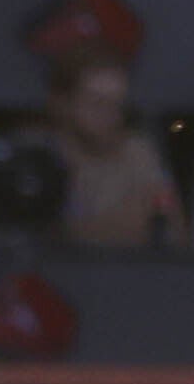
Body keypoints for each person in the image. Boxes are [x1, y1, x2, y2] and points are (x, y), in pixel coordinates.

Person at [29, 44, 184, 247]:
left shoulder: (137, 152)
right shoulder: (35, 152)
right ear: (61, 103)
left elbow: (173, 229)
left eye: (117, 105)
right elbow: (42, 236)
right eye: (97, 103)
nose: (110, 116)